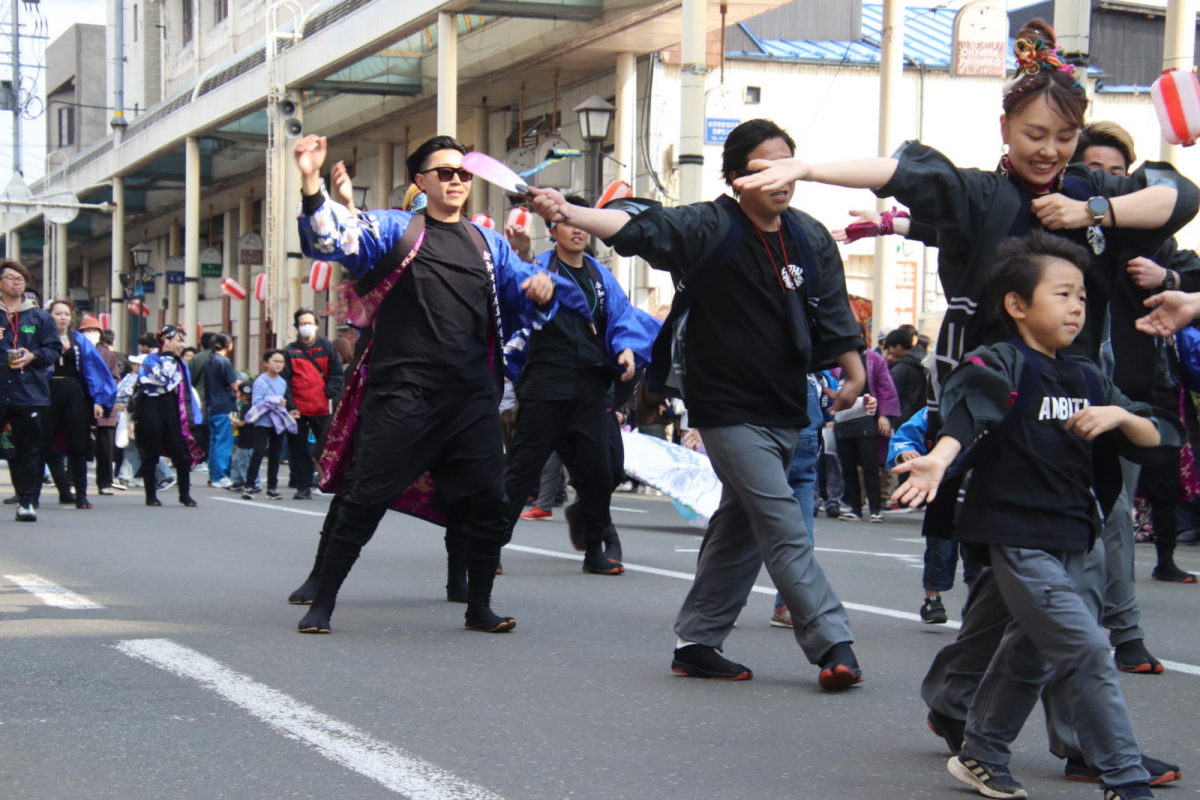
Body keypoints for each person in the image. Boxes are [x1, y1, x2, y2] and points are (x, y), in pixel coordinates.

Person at [739, 19, 1196, 682]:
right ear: (1005, 128)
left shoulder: (1088, 195)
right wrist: (808, 166)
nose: (1049, 151)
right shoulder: (980, 193)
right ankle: (1036, 720)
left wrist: (1093, 214)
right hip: (996, 395)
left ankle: (992, 706)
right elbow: (900, 173)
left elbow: (1181, 196)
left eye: (1064, 138)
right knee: (1023, 568)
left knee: (1078, 553)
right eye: (1034, 135)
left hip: (1081, 395)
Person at [530, 118, 868, 688]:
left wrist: (855, 373)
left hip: (789, 402)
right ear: (737, 177)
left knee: (741, 520)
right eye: (763, 166)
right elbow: (638, 226)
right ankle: (832, 642)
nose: (779, 177)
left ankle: (698, 641)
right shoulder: (711, 224)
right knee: (781, 518)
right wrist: (570, 212)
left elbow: (833, 313)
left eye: (788, 164)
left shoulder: (810, 237)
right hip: (725, 406)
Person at [892, 231, 1179, 800]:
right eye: (1063, 294)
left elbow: (1158, 435)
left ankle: (980, 752)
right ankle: (1123, 778)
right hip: (1019, 537)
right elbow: (969, 412)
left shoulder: (1087, 378)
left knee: (1032, 653)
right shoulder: (997, 361)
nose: (1076, 307)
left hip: (1077, 535)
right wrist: (939, 461)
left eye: (1082, 298)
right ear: (1017, 305)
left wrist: (1118, 419)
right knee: (1088, 649)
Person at [289, 133, 561, 635]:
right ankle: (322, 602)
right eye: (444, 172)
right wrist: (310, 181)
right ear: (421, 181)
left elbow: (523, 300)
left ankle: (479, 606)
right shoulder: (397, 229)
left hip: (472, 397)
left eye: (463, 172)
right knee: (365, 498)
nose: (457, 179)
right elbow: (334, 238)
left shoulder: (488, 245)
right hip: (405, 392)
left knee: (485, 504)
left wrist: (539, 290)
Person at [495, 195, 655, 574]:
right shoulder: (536, 268)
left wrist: (629, 350)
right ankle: (488, 545)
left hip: (590, 383)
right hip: (545, 382)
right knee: (522, 470)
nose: (577, 228)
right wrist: (523, 261)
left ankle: (595, 549)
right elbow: (513, 301)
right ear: (553, 230)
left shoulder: (601, 276)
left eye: (581, 221)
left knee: (601, 471)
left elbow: (622, 320)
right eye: (566, 221)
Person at [887, 407, 981, 623]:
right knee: (939, 546)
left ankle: (975, 602)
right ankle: (932, 599)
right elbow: (905, 437)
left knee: (976, 550)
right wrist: (904, 453)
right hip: (940, 484)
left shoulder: (991, 405)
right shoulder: (934, 410)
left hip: (979, 486)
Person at [36, 300, 116, 510]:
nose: (63, 317)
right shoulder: (39, 337)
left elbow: (93, 370)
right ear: (49, 315)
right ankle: (31, 496)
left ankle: (81, 494)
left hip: (74, 393)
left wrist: (99, 399)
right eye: (58, 313)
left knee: (78, 445)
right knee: (42, 445)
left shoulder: (79, 340)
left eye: (67, 314)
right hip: (47, 394)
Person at [0, 260, 61, 521]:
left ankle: (26, 502)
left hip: (28, 393)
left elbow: (54, 350)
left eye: (21, 278)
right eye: (11, 278)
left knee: (27, 449)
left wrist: (33, 356)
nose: (17, 282)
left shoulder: (40, 316)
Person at [133, 325, 203, 506]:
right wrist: (168, 357)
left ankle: (185, 494)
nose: (182, 345)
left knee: (181, 452)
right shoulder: (150, 359)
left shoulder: (179, 363)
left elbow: (186, 390)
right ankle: (150, 495)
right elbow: (162, 379)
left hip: (172, 408)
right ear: (167, 341)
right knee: (150, 453)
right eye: (179, 340)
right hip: (150, 406)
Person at [834, 340, 898, 522]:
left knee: (870, 465)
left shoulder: (873, 359)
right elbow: (829, 385)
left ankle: (875, 508)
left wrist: (883, 415)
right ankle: (855, 507)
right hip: (842, 416)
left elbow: (885, 387)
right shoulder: (835, 358)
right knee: (847, 466)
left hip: (865, 416)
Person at [283, 308, 344, 500]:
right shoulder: (290, 351)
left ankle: (331, 480)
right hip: (298, 408)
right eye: (302, 324)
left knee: (327, 445)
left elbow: (336, 374)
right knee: (299, 449)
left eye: (309, 323)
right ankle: (303, 485)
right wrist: (290, 405)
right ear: (297, 327)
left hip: (321, 406)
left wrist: (330, 392)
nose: (306, 327)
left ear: (316, 325)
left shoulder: (327, 347)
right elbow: (286, 381)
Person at [241, 350, 295, 500]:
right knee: (258, 453)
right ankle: (249, 486)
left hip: (278, 423)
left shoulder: (283, 382)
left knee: (275, 455)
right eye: (275, 361)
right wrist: (275, 402)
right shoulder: (260, 381)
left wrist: (285, 408)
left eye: (281, 362)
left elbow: (283, 403)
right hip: (262, 422)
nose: (278, 364)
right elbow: (257, 403)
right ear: (266, 363)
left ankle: (272, 488)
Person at [87, 319, 125, 495]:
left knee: (105, 449)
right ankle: (72, 480)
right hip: (81, 405)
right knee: (77, 446)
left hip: (105, 407)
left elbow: (114, 379)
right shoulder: (76, 352)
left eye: (94, 331)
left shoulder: (108, 355)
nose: (90, 334)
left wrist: (103, 398)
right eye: (86, 331)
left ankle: (105, 482)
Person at [204, 332, 238, 489]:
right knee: (224, 442)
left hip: (212, 404)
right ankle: (221, 475)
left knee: (214, 442)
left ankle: (214, 475)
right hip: (225, 405)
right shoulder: (224, 361)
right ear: (228, 344)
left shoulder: (209, 360)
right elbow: (232, 383)